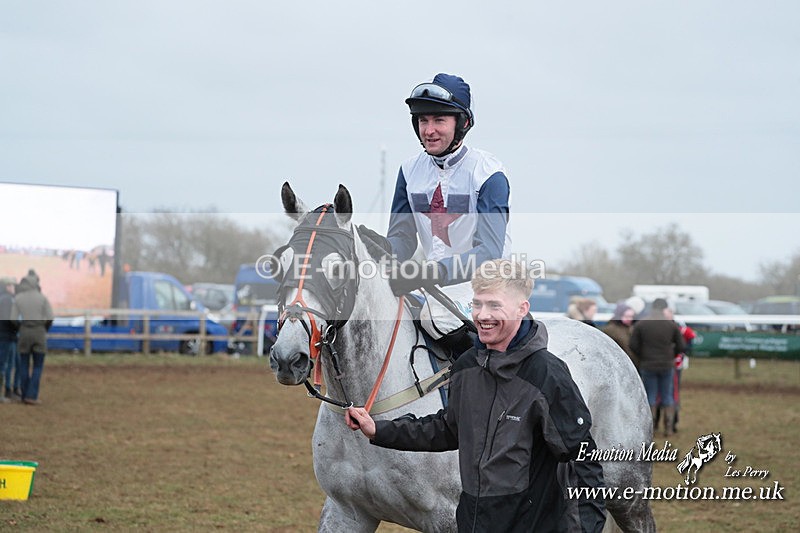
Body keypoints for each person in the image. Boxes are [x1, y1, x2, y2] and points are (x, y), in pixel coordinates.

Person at [346, 259, 606, 532]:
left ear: (522, 308)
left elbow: (583, 461)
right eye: (477, 304)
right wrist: (379, 429)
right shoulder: (467, 365)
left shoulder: (547, 374)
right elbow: (448, 428)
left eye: (494, 305)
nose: (482, 315)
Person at [360, 73, 511, 293]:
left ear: (463, 122)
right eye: (423, 120)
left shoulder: (488, 173)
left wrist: (432, 272)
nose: (429, 131)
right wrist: (381, 250)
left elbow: (488, 251)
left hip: (489, 293)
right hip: (435, 291)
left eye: (439, 120)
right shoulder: (409, 171)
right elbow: (403, 237)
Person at [629, 298, 685, 437]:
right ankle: (669, 428)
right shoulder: (671, 325)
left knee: (650, 396)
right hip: (666, 365)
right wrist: (671, 355)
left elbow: (633, 345)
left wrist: (642, 354)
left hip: (648, 364)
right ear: (664, 309)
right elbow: (681, 346)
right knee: (667, 396)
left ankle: (651, 428)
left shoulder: (641, 324)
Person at [10, 270, 54, 405]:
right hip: (39, 332)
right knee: (38, 366)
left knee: (23, 364)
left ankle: (24, 395)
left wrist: (20, 328)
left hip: (24, 333)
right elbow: (50, 317)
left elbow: (12, 318)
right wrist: (44, 329)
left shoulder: (18, 298)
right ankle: (32, 395)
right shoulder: (42, 298)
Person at [0, 276, 19, 403]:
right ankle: (5, 391)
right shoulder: (8, 300)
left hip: (5, 335)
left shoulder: (3, 299)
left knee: (6, 364)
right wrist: (19, 326)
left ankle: (7, 390)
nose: (14, 288)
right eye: (12, 285)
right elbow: (12, 319)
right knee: (5, 364)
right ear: (7, 286)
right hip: (7, 336)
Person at [601, 303, 637, 368]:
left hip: (632, 364)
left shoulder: (631, 328)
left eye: (631, 316)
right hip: (619, 365)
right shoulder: (610, 330)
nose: (630, 319)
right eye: (627, 316)